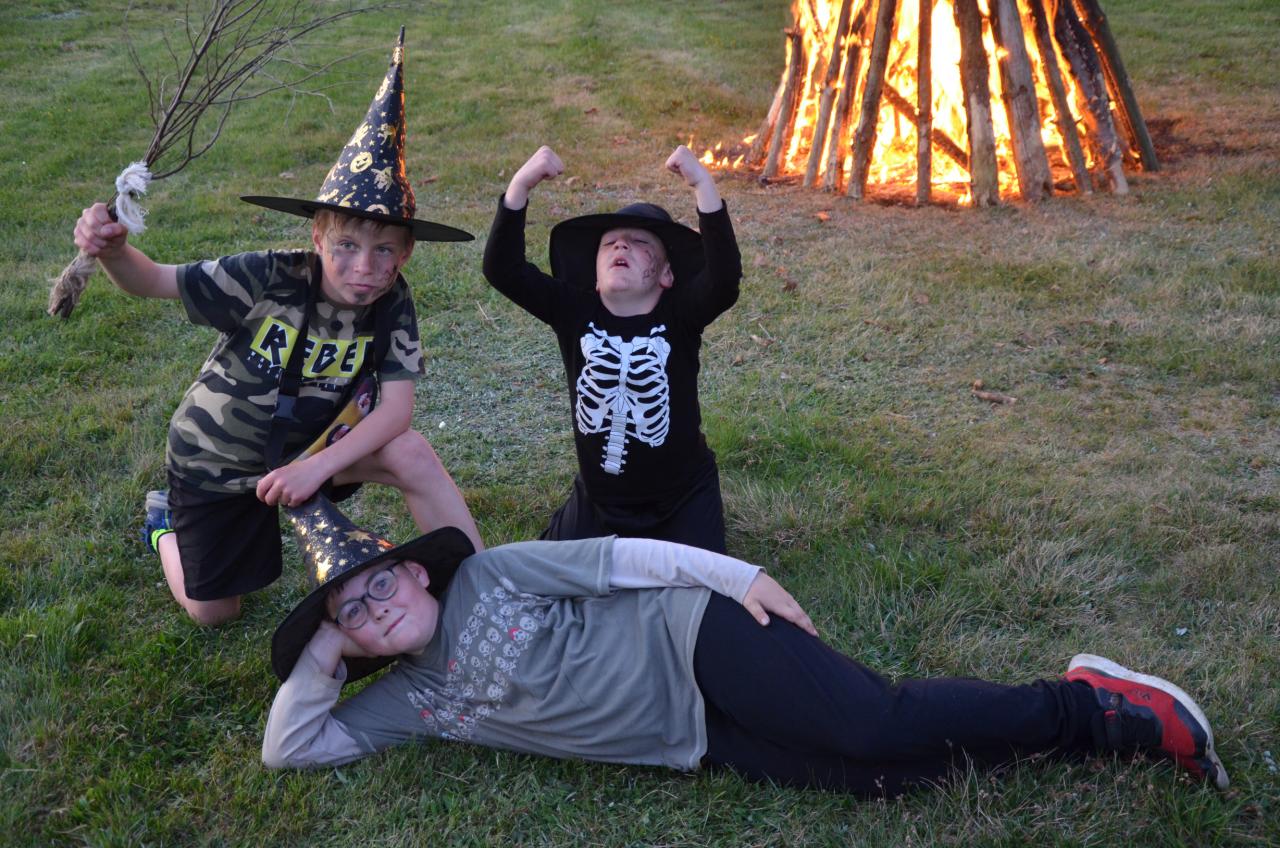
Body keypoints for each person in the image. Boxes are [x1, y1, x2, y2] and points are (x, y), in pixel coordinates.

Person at [262, 495, 1229, 798]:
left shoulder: (492, 574)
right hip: (694, 739)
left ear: (417, 571)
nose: (375, 610)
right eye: (353, 614)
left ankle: (1094, 709)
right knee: (880, 779)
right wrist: (320, 652)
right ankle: (1069, 728)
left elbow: (623, 558)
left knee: (871, 722)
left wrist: (739, 578)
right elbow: (291, 748)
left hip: (697, 640)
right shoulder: (409, 702)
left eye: (379, 582)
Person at [72, 30, 483, 627]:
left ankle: (481, 584)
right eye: (346, 246)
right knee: (215, 613)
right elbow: (154, 280)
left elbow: (396, 411)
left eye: (385, 251)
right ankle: (164, 525)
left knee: (411, 452)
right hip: (217, 461)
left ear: (406, 253)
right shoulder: (270, 275)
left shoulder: (392, 300)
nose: (365, 269)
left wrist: (315, 467)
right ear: (317, 237)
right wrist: (112, 252)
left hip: (313, 452)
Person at [482, 145, 741, 553]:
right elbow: (503, 269)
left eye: (639, 242)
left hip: (682, 498)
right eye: (609, 244)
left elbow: (724, 280)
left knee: (701, 585)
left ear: (667, 274)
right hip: (599, 502)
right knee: (544, 578)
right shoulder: (574, 312)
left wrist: (703, 185)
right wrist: (520, 186)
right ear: (595, 276)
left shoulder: (681, 315)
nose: (621, 247)